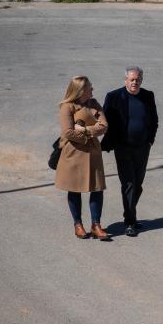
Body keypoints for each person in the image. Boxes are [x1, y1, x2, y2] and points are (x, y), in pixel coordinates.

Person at [100, 67, 159, 237]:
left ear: (141, 80)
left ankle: (130, 214)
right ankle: (130, 222)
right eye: (132, 79)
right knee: (129, 184)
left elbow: (154, 120)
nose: (135, 82)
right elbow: (105, 120)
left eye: (137, 79)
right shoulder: (114, 97)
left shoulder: (148, 96)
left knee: (138, 184)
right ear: (125, 80)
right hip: (123, 147)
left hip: (143, 147)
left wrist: (150, 140)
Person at [55, 76, 110, 240]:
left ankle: (96, 225)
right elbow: (68, 132)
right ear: (80, 91)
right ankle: (78, 224)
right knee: (74, 189)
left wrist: (85, 130)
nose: (92, 90)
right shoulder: (67, 107)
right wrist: (90, 134)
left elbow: (104, 126)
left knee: (97, 188)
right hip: (73, 154)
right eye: (89, 88)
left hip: (93, 153)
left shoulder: (94, 103)